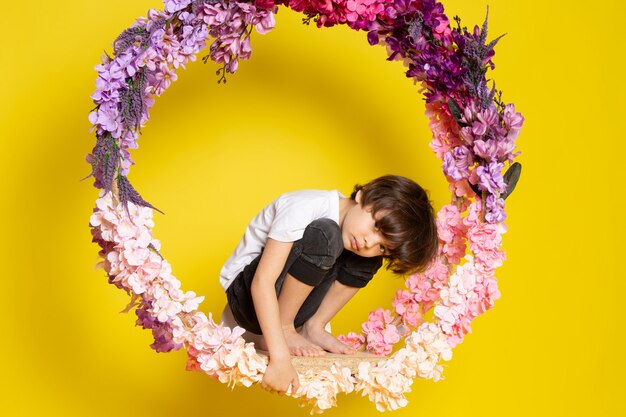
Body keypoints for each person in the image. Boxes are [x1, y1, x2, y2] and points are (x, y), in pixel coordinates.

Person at [219, 175, 437, 394]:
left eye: (383, 247)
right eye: (377, 228)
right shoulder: (305, 206)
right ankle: (285, 328)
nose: (370, 242)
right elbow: (262, 282)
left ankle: (313, 326)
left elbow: (367, 249)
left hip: (289, 310)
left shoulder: (360, 244)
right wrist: (280, 357)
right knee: (327, 233)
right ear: (364, 195)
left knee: (366, 260)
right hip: (247, 300)